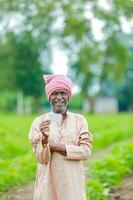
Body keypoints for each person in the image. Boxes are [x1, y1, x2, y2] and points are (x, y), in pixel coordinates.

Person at [28, 74, 93, 200]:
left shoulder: (79, 120)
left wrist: (56, 147)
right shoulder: (39, 122)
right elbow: (41, 158)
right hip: (48, 184)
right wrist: (45, 139)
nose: (59, 98)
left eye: (63, 93)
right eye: (54, 93)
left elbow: (86, 152)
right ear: (49, 97)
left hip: (72, 184)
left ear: (68, 96)